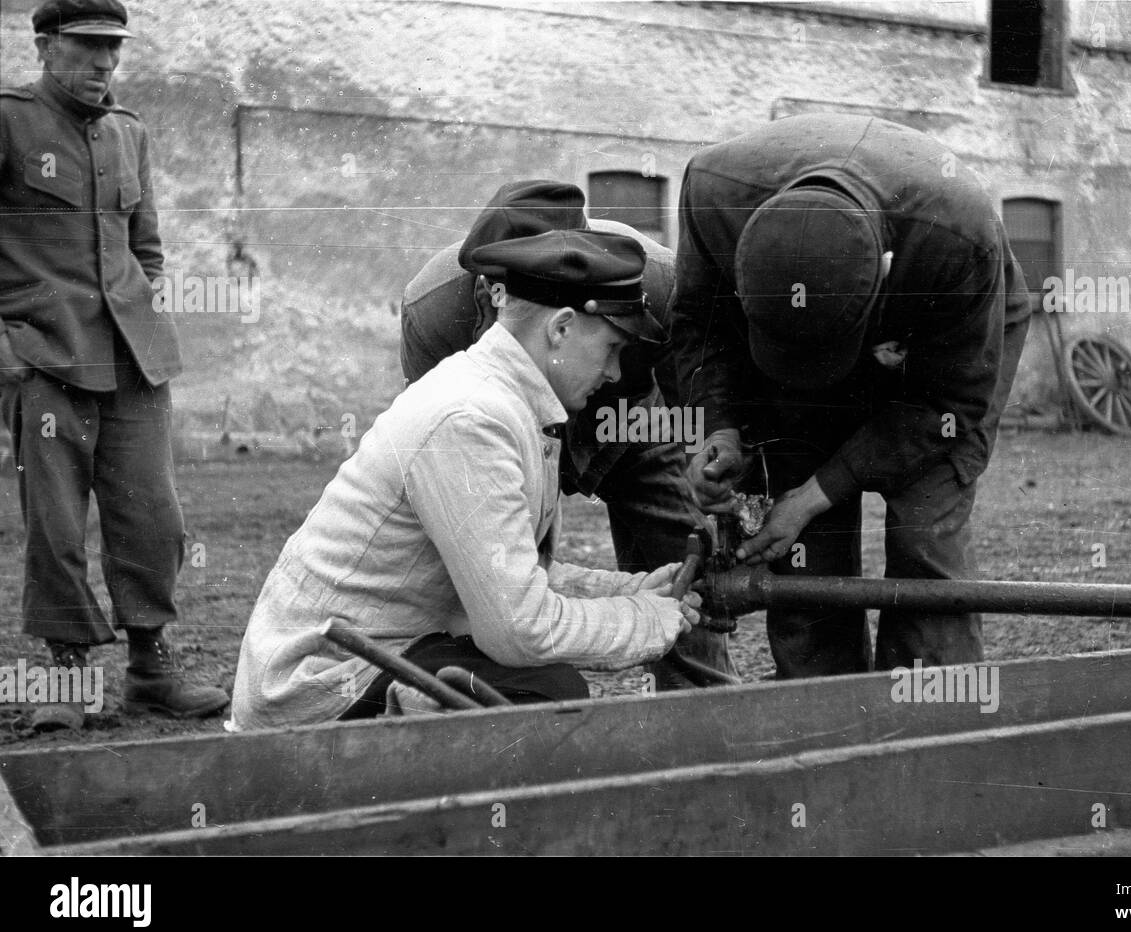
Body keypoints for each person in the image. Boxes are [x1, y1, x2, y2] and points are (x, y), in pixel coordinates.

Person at [230, 230, 703, 729]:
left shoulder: (507, 400)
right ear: (561, 328)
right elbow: (519, 629)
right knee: (540, 696)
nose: (613, 372)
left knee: (540, 687)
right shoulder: (471, 418)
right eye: (611, 347)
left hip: (381, 652)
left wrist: (628, 592)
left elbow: (510, 576)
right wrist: (648, 622)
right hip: (314, 687)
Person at [669, 114, 1031, 677]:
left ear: (886, 272)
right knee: (798, 543)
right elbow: (698, 320)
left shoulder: (961, 237)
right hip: (802, 356)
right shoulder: (715, 194)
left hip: (937, 360)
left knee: (923, 531)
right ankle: (823, 714)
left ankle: (931, 721)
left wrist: (816, 492)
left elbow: (947, 412)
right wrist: (721, 426)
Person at [400, 180, 737, 689]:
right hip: (509, 430)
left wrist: (703, 455)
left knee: (678, 560)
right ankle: (485, 684)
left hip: (630, 425)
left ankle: (702, 702)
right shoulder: (431, 313)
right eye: (498, 296)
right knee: (499, 568)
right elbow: (443, 459)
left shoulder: (659, 281)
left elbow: (695, 382)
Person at [0, 0, 228, 730]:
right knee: (57, 526)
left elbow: (146, 247)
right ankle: (66, 678)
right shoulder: (9, 121)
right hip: (45, 357)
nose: (106, 63)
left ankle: (150, 667)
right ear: (44, 46)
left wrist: (138, 309)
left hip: (134, 363)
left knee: (153, 519)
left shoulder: (129, 132)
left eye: (114, 50)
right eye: (89, 47)